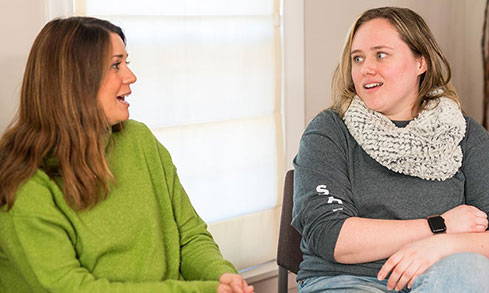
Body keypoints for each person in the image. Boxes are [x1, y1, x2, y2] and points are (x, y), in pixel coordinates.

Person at [0, 16, 253, 293]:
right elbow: (69, 287)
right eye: (115, 65)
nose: (131, 76)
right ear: (74, 79)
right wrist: (203, 290)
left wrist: (221, 276)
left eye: (126, 63)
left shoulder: (139, 141)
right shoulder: (23, 180)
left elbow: (188, 236)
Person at [292, 6, 489, 293]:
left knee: (469, 270)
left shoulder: (465, 133)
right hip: (348, 280)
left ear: (421, 62)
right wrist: (440, 225)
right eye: (357, 58)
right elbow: (331, 237)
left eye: (380, 54)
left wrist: (442, 245)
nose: (366, 69)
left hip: (443, 272)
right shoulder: (328, 131)